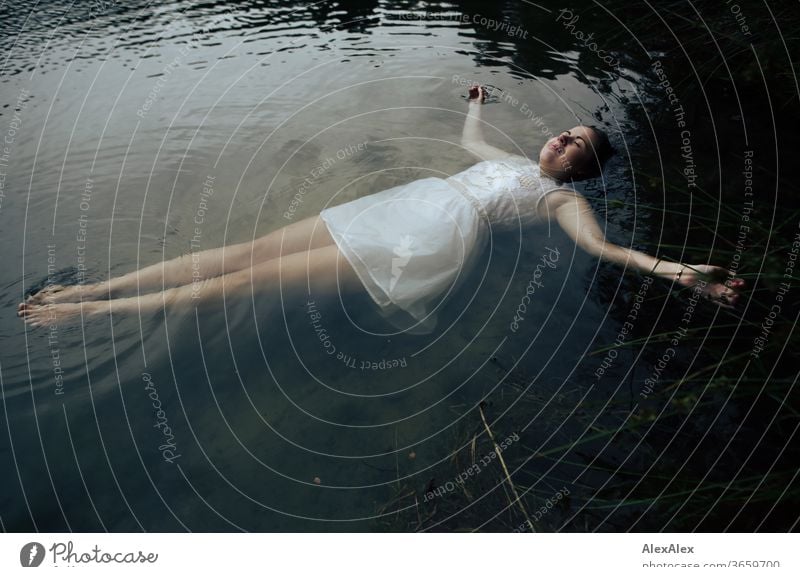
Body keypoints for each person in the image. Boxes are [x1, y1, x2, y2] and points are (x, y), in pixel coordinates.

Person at [18, 85, 744, 331]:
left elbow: (603, 251)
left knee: (244, 286)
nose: (562, 137)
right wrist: (475, 106)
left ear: (581, 168)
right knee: (244, 253)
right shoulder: (516, 163)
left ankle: (82, 313)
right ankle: (89, 287)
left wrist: (679, 272)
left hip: (429, 238)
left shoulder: (559, 200)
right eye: (565, 129)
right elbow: (470, 140)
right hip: (402, 204)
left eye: (577, 142)